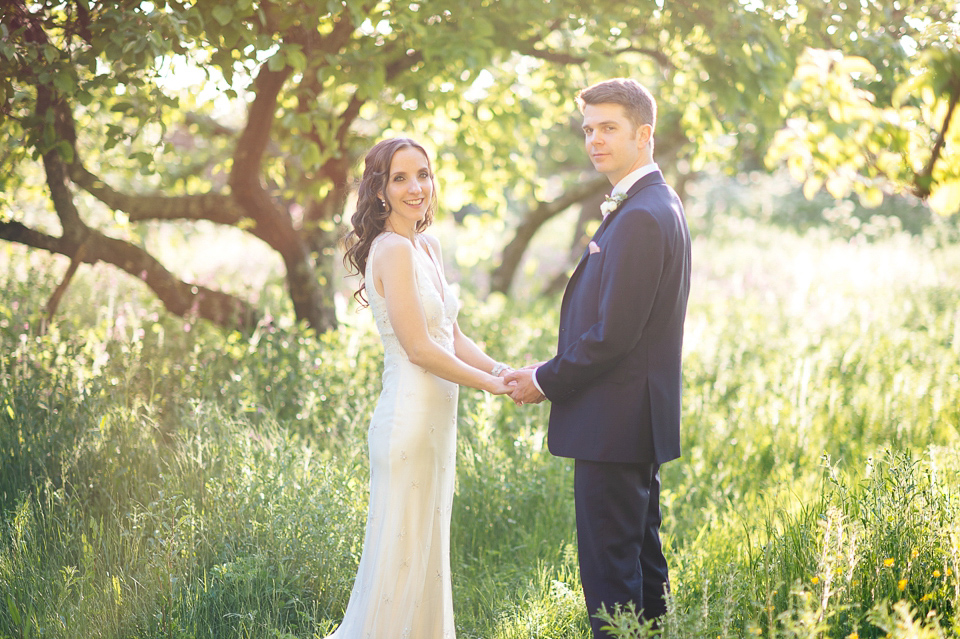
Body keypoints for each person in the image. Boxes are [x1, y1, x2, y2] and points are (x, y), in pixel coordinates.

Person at [505, 78, 692, 637]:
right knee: (639, 567)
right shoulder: (658, 203)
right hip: (635, 422)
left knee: (611, 581)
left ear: (644, 134)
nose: (594, 140)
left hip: (615, 424)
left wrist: (544, 378)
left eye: (608, 128)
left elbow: (614, 336)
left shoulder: (639, 215)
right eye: (588, 129)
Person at [332, 137, 514, 638]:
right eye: (400, 177)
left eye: (423, 174)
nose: (416, 187)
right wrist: (490, 387)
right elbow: (419, 348)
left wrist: (503, 371)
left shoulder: (426, 245)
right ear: (380, 190)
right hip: (408, 423)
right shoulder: (391, 249)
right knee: (402, 556)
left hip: (438, 424)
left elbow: (450, 336)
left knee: (426, 552)